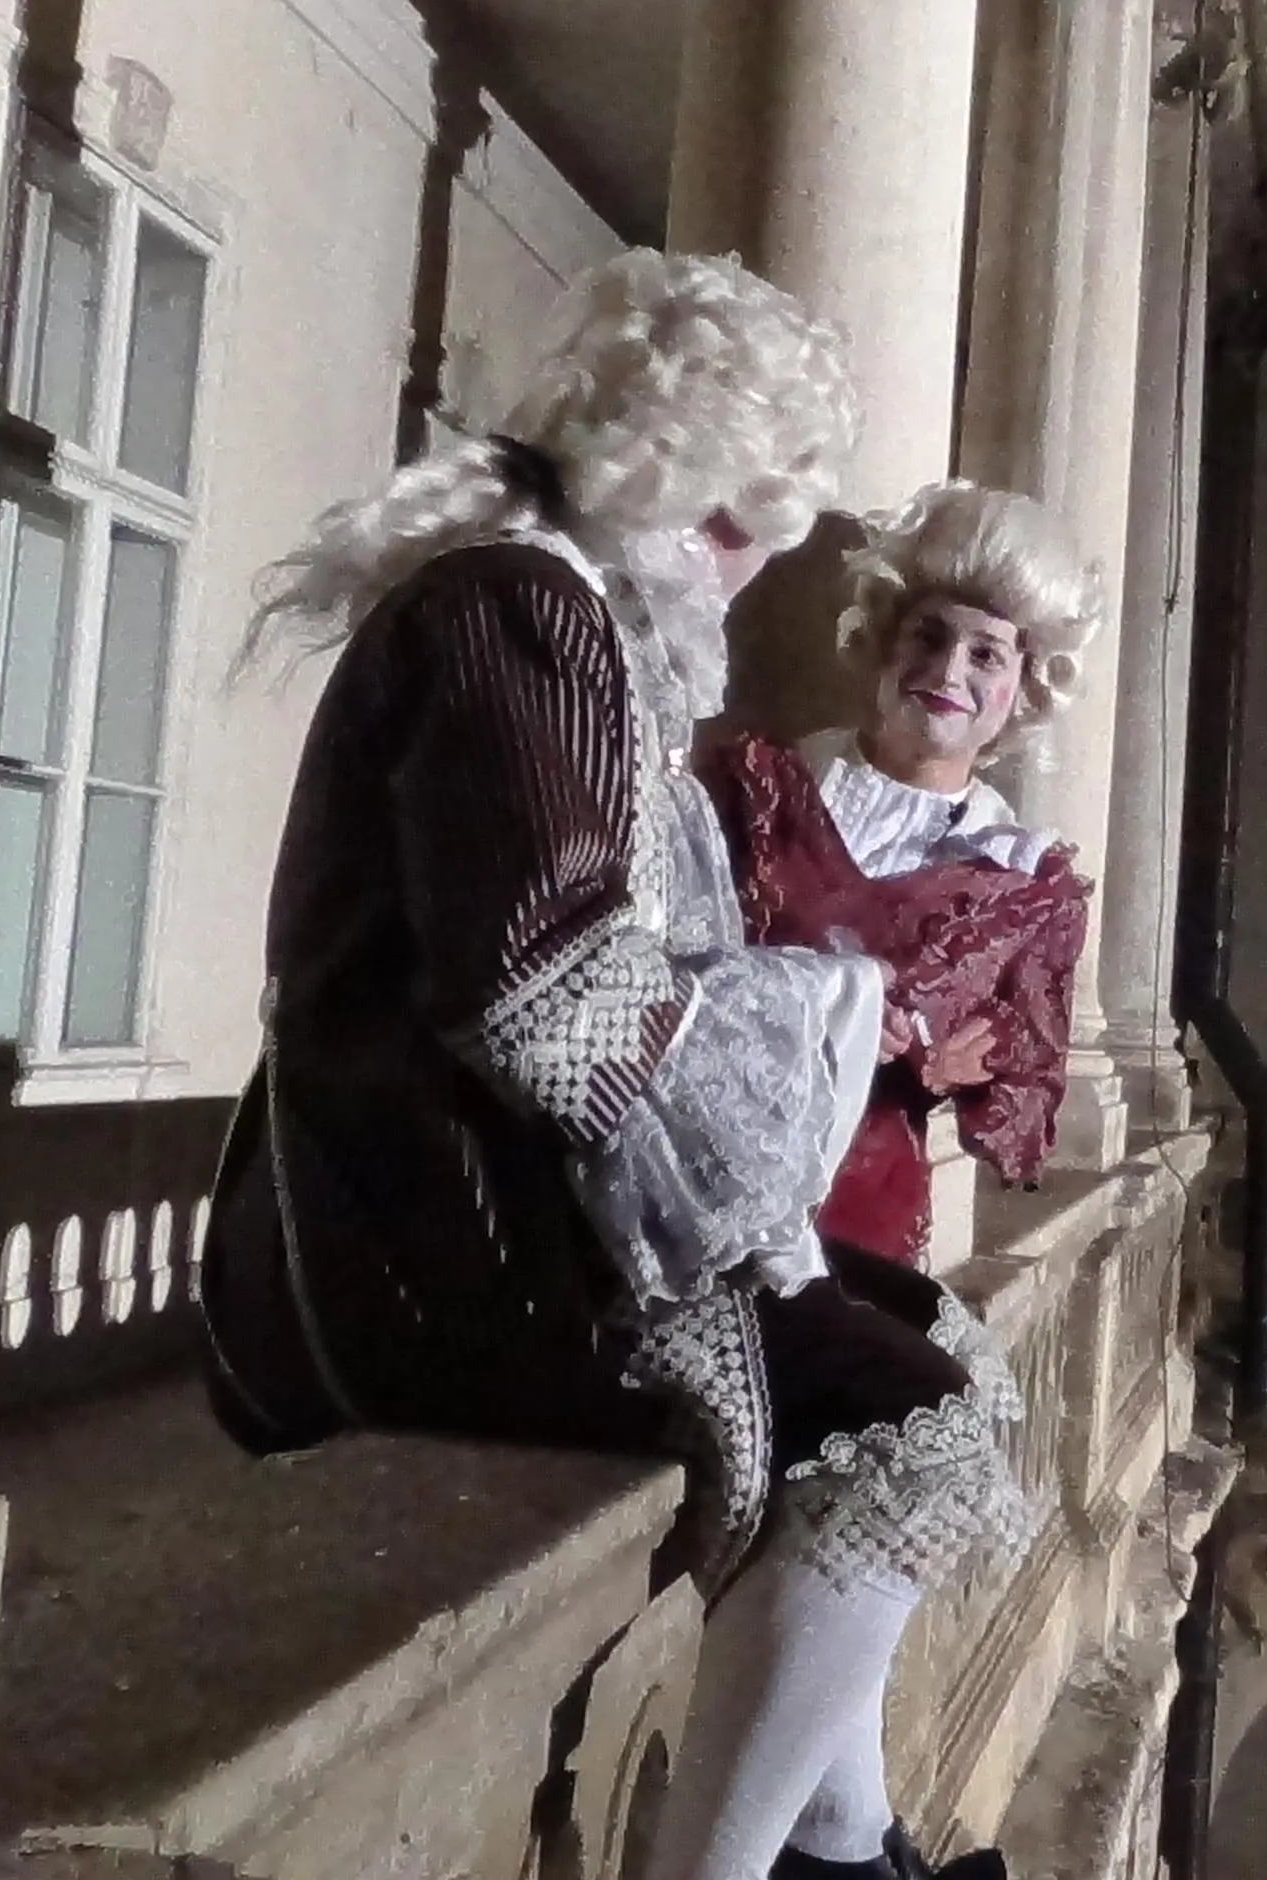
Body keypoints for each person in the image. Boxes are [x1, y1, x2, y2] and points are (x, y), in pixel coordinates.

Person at [200, 250, 1027, 1880]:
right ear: (689, 490)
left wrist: (785, 1028)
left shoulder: (545, 609)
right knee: (912, 1426)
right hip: (427, 1253)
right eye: (741, 530)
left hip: (474, 1212)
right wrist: (808, 1023)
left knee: (929, 1349)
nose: (742, 577)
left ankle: (847, 1849)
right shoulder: (523, 612)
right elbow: (552, 1008)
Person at [701, 481, 1103, 1266]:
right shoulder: (759, 789)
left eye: (986, 654)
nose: (947, 671)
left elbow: (1027, 1113)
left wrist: (963, 1059)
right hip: (709, 1173)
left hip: (862, 1227)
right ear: (886, 638)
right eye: (929, 635)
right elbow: (669, 959)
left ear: (1024, 686)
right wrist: (817, 1000)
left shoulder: (1022, 884)